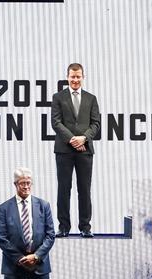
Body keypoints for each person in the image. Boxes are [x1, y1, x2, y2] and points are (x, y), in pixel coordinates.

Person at [51, 63, 101, 238]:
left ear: (83, 77)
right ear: (67, 77)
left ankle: (85, 227)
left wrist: (84, 138)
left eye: (78, 76)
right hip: (64, 150)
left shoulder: (91, 98)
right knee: (64, 189)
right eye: (72, 76)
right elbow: (56, 122)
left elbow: (96, 124)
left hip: (85, 151)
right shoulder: (58, 97)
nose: (75, 79)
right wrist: (72, 139)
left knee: (84, 189)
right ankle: (63, 227)